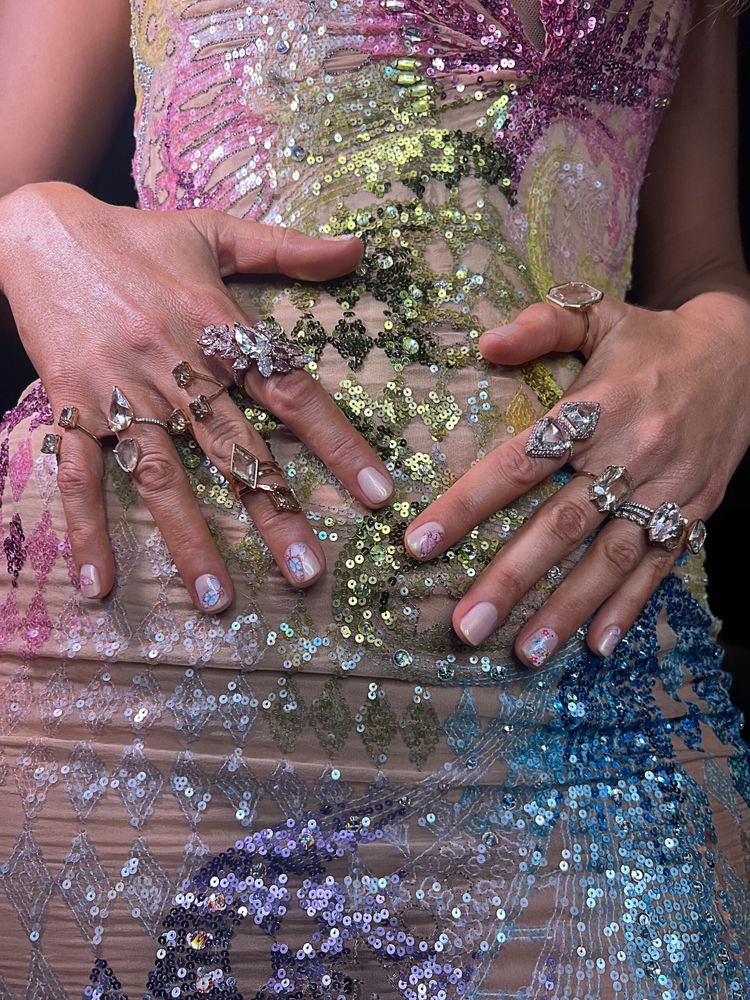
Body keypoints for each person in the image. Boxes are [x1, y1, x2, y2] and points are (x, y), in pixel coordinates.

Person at [0, 0, 749, 995]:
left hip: (587, 685)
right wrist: (26, 224)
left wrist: (730, 343)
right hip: (139, 653)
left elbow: (701, 263)